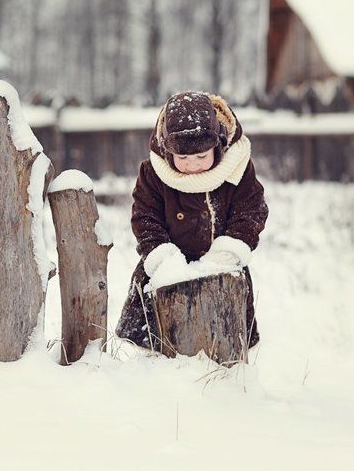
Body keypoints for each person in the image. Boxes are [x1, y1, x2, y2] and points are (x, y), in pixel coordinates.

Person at [114, 90, 269, 351]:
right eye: (183, 158)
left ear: (218, 144)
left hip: (222, 266)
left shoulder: (237, 166)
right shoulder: (154, 172)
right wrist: (161, 255)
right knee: (159, 342)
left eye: (201, 157)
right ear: (167, 150)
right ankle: (155, 369)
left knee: (224, 338)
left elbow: (251, 210)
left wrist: (229, 251)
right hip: (168, 267)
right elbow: (145, 216)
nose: (193, 165)